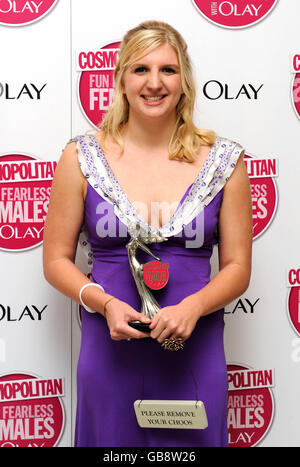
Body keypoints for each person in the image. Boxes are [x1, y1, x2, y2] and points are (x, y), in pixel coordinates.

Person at [43, 20, 252, 447]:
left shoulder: (225, 162)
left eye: (168, 70)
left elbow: (238, 267)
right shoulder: (80, 158)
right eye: (140, 69)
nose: (154, 83)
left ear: (184, 81)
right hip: (110, 347)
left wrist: (193, 308)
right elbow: (55, 261)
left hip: (195, 350)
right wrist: (105, 305)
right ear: (120, 80)